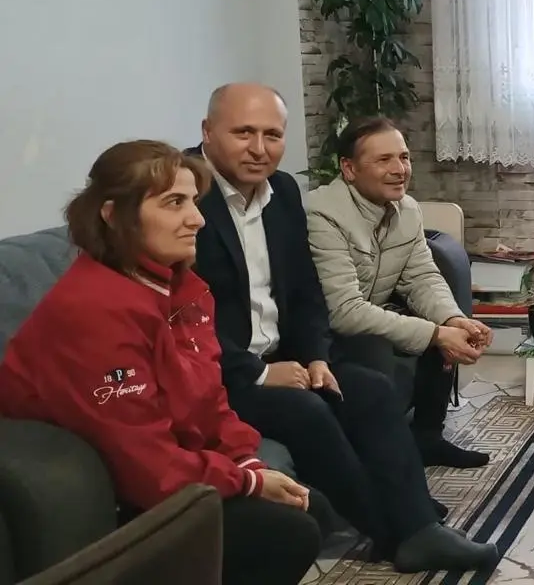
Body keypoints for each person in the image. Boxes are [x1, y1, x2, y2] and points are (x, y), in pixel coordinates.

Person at [189, 84, 500, 573]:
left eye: (272, 135)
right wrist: (259, 372)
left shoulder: (281, 191)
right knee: (308, 410)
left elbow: (305, 292)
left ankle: (420, 526)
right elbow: (184, 317)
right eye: (243, 133)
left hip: (286, 355)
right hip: (222, 372)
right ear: (208, 132)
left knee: (370, 391)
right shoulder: (184, 199)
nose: (259, 148)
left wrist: (315, 355)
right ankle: (396, 533)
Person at [0, 140, 320, 585]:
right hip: (111, 495)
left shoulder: (184, 289)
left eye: (193, 201)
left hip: (167, 468)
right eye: (174, 203)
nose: (197, 219)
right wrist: (245, 481)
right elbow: (142, 464)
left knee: (310, 509)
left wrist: (246, 461)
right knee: (287, 534)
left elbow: (211, 401)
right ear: (113, 215)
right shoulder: (92, 311)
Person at [303, 116, 494, 469]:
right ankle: (388, 465)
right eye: (383, 160)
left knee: (440, 326)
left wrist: (452, 320)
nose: (399, 169)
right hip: (323, 333)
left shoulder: (408, 209)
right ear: (349, 168)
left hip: (369, 312)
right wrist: (436, 334)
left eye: (404, 157)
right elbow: (343, 311)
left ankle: (428, 439)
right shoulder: (322, 214)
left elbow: (421, 276)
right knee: (396, 340)